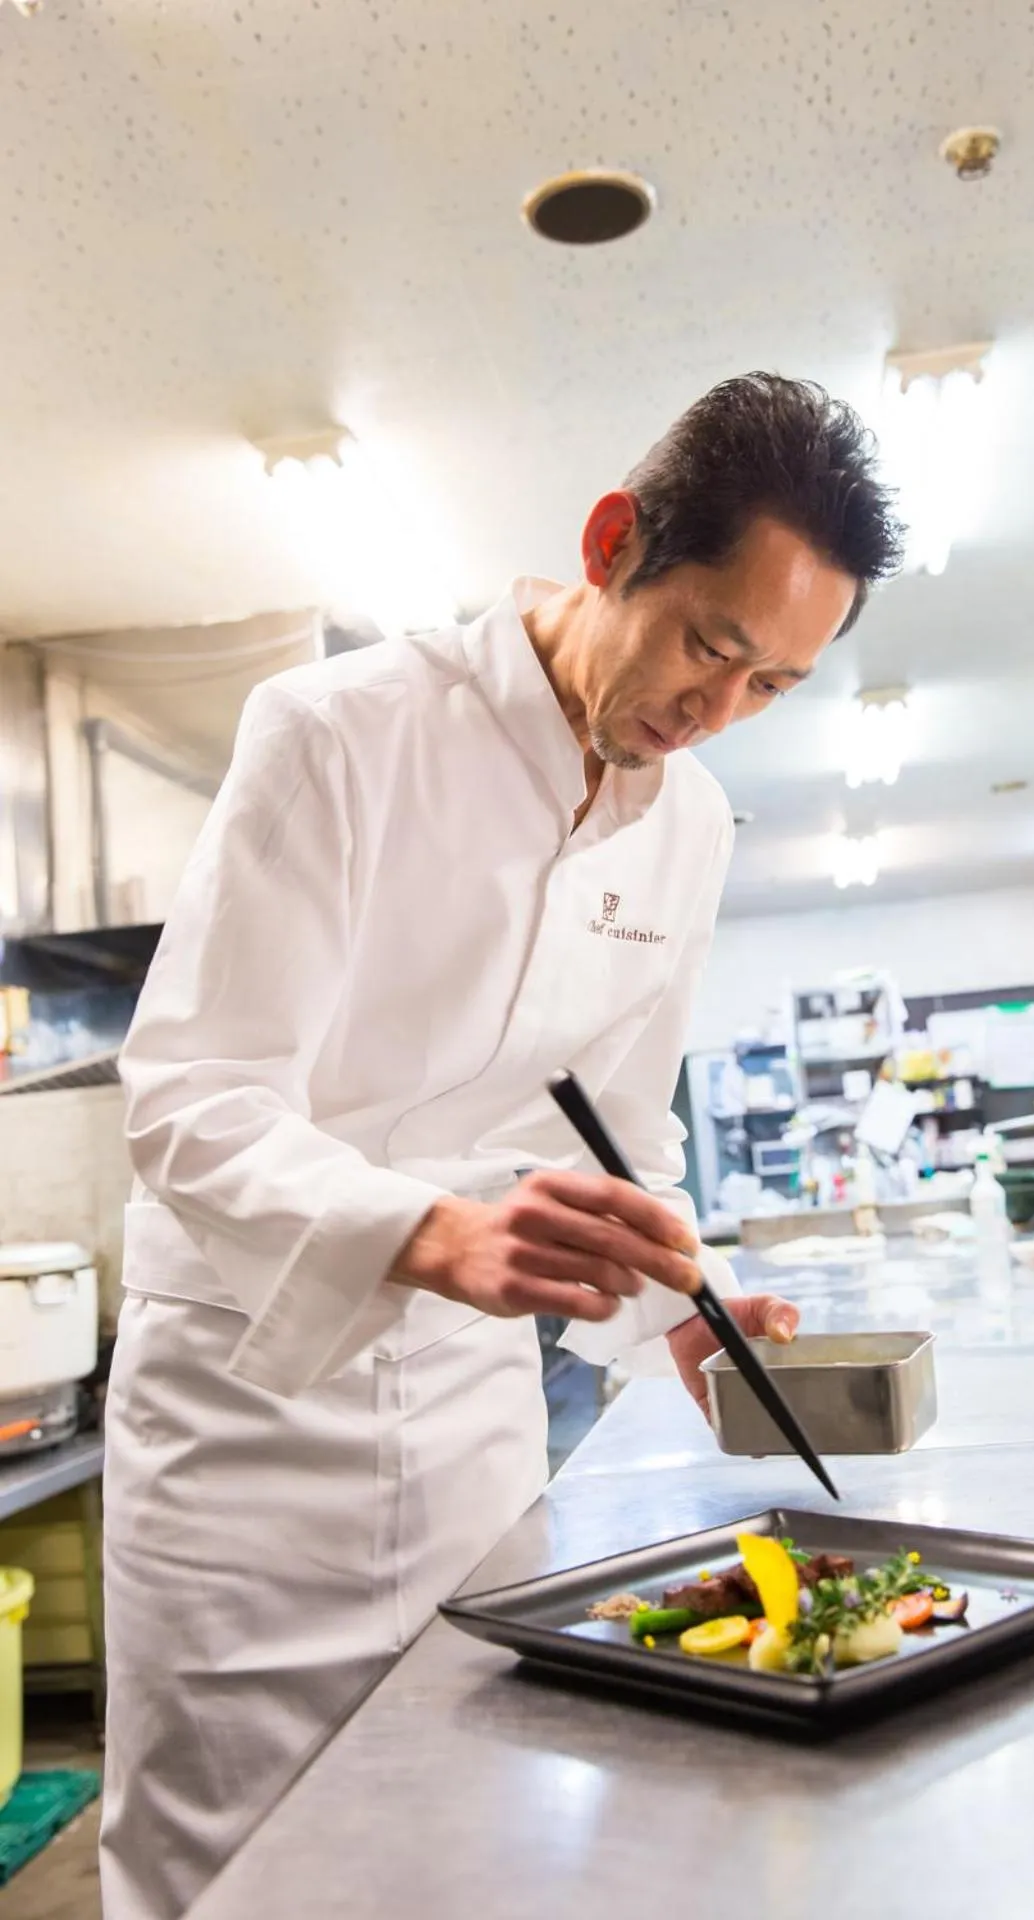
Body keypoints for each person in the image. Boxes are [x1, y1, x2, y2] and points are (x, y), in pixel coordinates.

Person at [99, 371, 902, 1919]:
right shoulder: (339, 732)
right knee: (222, 1859)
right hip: (251, 1416)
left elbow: (624, 1124)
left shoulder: (693, 824)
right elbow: (191, 1096)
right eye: (711, 646)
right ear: (615, 543)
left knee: (468, 1831)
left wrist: (686, 1301)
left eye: (772, 688)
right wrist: (427, 1232)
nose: (716, 712)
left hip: (476, 1418)